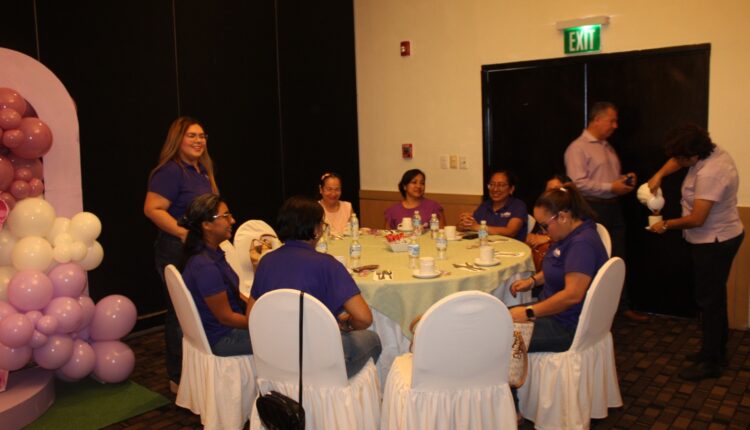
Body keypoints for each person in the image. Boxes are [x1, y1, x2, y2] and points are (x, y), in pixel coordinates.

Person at [646, 124, 743, 381]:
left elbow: (698, 219)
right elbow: (676, 161)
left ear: (693, 155)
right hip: (714, 237)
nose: (676, 163)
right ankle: (715, 351)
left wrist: (665, 224)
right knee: (713, 298)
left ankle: (711, 362)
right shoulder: (707, 152)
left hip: (715, 241)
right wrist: (658, 175)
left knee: (709, 301)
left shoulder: (712, 172)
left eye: (680, 158)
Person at [252, 196, 382, 377]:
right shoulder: (328, 265)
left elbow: (252, 315)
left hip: (275, 355)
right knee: (373, 339)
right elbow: (364, 318)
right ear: (315, 229)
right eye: (322, 224)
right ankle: (340, 391)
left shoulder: (266, 262)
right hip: (318, 360)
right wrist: (346, 324)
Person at [144, 116, 217, 389]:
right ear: (178, 140)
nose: (199, 141)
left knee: (200, 310)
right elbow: (152, 209)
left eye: (202, 136)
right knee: (181, 314)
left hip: (200, 250)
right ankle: (178, 377)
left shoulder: (202, 170)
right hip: (176, 251)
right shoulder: (171, 171)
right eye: (192, 136)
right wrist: (183, 232)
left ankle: (198, 373)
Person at [564, 102, 647, 322]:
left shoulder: (607, 147)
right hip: (592, 209)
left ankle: (622, 307)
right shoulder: (577, 148)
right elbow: (577, 184)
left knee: (617, 258)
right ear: (597, 119)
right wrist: (611, 187)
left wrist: (623, 181)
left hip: (613, 208)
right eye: (612, 120)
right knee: (594, 260)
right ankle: (593, 313)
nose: (615, 125)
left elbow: (606, 180)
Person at [509, 185, 608, 352]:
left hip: (567, 325)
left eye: (544, 225)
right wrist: (533, 281)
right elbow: (559, 267)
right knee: (495, 318)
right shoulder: (569, 233)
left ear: (562, 217)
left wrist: (528, 312)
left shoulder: (582, 244)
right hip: (555, 313)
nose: (543, 231)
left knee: (498, 335)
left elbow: (572, 296)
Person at [177, 194, 252, 356]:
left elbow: (235, 295)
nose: (232, 220)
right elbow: (226, 318)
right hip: (222, 336)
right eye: (226, 216)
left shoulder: (212, 253)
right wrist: (259, 323)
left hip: (226, 328)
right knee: (283, 340)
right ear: (206, 225)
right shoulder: (205, 266)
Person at [458, 169, 528, 241]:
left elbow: (511, 231)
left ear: (511, 189)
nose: (495, 189)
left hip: (512, 247)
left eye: (501, 185)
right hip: (487, 245)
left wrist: (479, 227)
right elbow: (474, 227)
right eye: (492, 184)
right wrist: (464, 224)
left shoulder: (518, 205)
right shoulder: (485, 205)